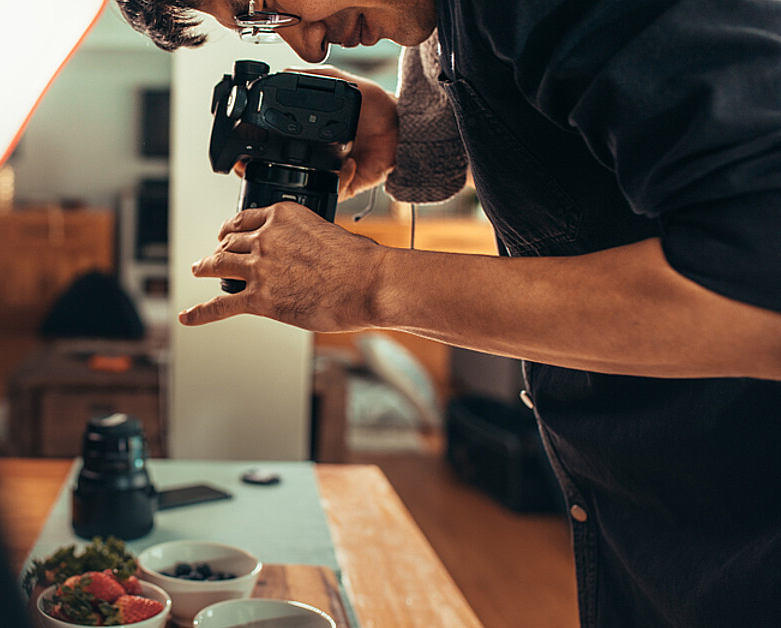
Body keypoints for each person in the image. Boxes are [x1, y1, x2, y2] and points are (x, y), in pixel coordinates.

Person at [115, 0, 781, 626]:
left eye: (264, 6)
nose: (305, 43)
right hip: (656, 512)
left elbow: (757, 293)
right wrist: (408, 128)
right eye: (260, 27)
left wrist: (373, 284)